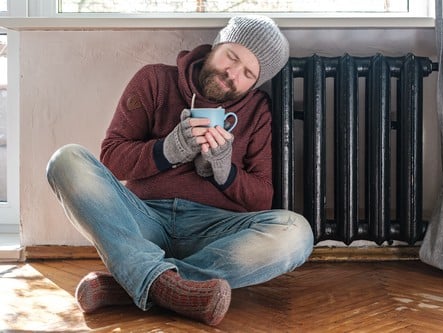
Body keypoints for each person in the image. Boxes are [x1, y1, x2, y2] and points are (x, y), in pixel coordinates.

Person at [46, 15, 313, 326]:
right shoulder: (154, 80)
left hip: (213, 231)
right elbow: (111, 159)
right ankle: (173, 284)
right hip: (144, 218)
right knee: (66, 160)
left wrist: (224, 170)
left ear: (255, 83)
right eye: (232, 56)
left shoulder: (257, 112)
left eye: (248, 74)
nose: (232, 73)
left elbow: (261, 199)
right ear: (217, 45)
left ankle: (138, 280)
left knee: (297, 233)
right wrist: (166, 151)